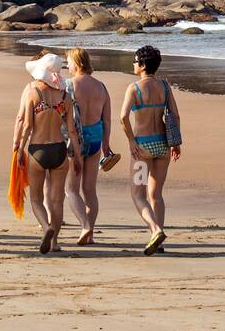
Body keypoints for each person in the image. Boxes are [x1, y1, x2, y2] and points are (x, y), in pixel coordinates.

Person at [13, 53, 82, 254]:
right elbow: (71, 130)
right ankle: (54, 242)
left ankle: (46, 227)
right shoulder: (65, 97)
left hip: (38, 150)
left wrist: (19, 147)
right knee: (56, 199)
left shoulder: (34, 92)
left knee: (36, 198)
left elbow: (26, 125)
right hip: (60, 150)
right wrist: (77, 155)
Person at [119, 44, 181, 255]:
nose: (134, 64)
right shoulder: (164, 86)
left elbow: (123, 117)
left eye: (136, 61)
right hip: (162, 146)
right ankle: (159, 241)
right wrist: (176, 143)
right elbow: (175, 115)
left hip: (142, 147)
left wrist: (131, 142)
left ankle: (155, 230)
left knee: (138, 194)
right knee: (156, 194)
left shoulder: (134, 88)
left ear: (143, 65)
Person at [63, 48, 116, 245]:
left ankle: (85, 225)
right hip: (95, 138)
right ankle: (90, 234)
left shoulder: (68, 86)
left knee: (72, 189)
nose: (67, 65)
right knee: (90, 190)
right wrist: (106, 144)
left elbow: (63, 117)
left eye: (68, 61)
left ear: (76, 63)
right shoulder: (101, 87)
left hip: (74, 140)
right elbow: (107, 119)